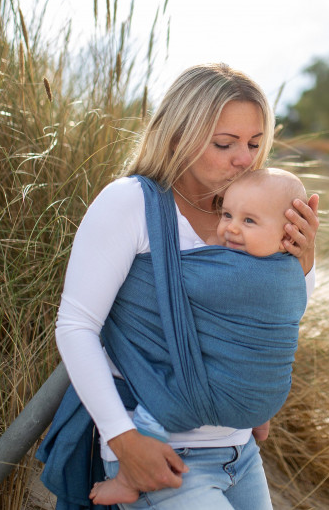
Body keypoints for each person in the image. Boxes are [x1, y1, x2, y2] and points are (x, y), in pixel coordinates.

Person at [36, 63, 320, 510]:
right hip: (162, 452)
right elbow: (75, 326)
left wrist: (303, 261)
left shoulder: (254, 209)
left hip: (239, 452)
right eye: (225, 143)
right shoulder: (131, 203)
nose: (244, 158)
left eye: (254, 143)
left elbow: (275, 315)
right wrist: (124, 440)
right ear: (177, 136)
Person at [88, 168, 309, 506]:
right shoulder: (291, 271)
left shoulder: (241, 273)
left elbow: (171, 278)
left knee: (161, 402)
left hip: (234, 440)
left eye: (249, 221)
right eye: (227, 214)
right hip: (211, 435)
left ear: (289, 232)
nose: (231, 227)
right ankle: (133, 474)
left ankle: (130, 480)